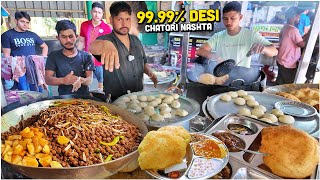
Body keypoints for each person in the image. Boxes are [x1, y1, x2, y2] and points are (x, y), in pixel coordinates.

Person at [89, 1, 157, 101]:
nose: (124, 24)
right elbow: (92, 46)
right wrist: (105, 44)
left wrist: (150, 72)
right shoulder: (106, 40)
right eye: (120, 19)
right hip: (115, 100)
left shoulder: (136, 40)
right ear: (111, 20)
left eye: (127, 19)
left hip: (138, 98)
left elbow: (143, 62)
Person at [196, 1, 278, 68]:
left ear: (240, 17)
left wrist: (263, 48)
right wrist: (217, 57)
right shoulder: (218, 36)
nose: (228, 22)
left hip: (242, 78)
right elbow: (200, 51)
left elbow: (274, 51)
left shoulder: (251, 35)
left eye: (233, 18)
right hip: (221, 75)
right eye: (225, 19)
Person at [1, 11, 48, 90]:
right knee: (23, 91)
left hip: (33, 66)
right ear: (15, 21)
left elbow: (45, 46)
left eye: (27, 22)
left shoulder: (32, 35)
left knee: (38, 89)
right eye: (22, 21)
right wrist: (11, 70)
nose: (25, 24)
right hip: (18, 68)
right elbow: (7, 56)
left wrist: (42, 60)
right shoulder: (7, 35)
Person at [45, 20, 94, 95]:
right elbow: (48, 79)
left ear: (76, 36)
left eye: (71, 36)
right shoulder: (53, 56)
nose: (68, 40)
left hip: (85, 99)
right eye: (64, 37)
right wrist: (63, 80)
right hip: (63, 100)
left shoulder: (86, 56)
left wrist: (81, 80)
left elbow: (89, 79)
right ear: (58, 38)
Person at [78, 2, 112, 92]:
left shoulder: (107, 28)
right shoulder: (84, 25)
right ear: (91, 12)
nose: (97, 15)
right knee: (85, 79)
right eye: (95, 12)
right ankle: (84, 95)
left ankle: (100, 95)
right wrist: (77, 54)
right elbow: (81, 41)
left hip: (99, 59)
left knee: (101, 80)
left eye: (99, 13)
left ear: (102, 14)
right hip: (86, 57)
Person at [275, 7, 305, 85]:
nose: (299, 18)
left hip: (282, 59)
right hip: (288, 62)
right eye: (298, 16)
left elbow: (299, 40)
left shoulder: (285, 27)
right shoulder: (293, 30)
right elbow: (302, 44)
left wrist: (307, 35)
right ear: (293, 16)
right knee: (287, 85)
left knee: (280, 83)